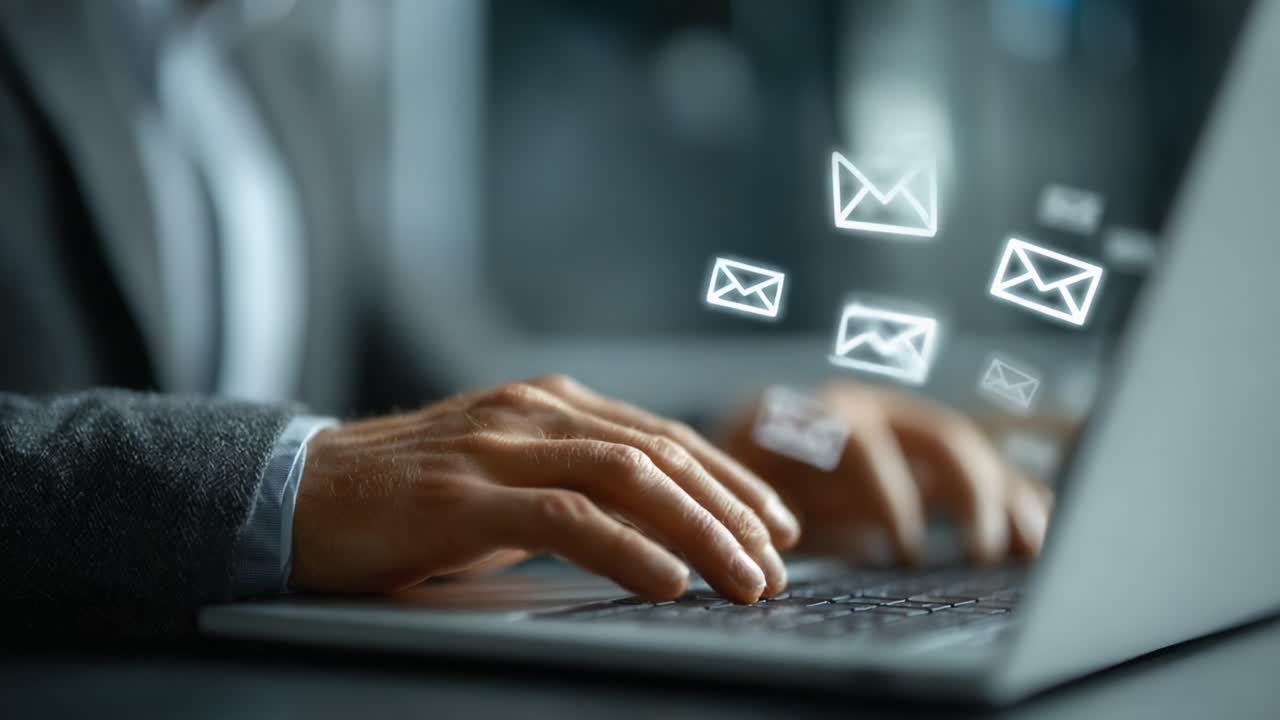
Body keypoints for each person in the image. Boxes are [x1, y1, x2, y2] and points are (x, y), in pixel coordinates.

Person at [0, 0, 1052, 637]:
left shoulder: (280, 75)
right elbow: (358, 462)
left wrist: (730, 449)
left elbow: (470, 408)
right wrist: (278, 478)